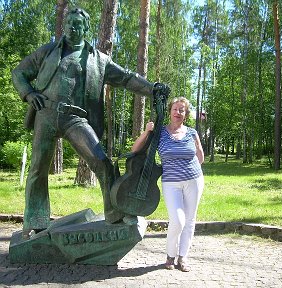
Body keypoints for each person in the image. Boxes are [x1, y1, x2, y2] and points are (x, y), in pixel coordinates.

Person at [12, 7, 169, 239]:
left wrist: (152, 89)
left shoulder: (98, 60)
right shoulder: (47, 52)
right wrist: (28, 93)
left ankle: (116, 213)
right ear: (64, 26)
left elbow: (126, 78)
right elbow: (19, 73)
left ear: (86, 28)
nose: (72, 28)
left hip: (75, 118)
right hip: (45, 113)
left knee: (102, 162)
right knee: (37, 168)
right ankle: (35, 221)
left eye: (78, 24)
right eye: (69, 23)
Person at [132, 96, 204, 272]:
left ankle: (182, 257)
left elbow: (200, 157)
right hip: (171, 183)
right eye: (175, 109)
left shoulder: (192, 132)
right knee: (177, 220)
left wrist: (191, 166)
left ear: (185, 114)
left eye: (182, 110)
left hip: (193, 180)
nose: (178, 112)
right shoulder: (160, 132)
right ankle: (170, 255)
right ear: (170, 111)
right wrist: (147, 131)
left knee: (189, 220)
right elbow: (135, 149)